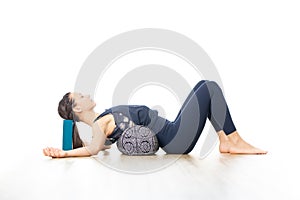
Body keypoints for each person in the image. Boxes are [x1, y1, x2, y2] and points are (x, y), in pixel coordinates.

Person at [43, 80, 267, 158]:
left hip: (172, 131)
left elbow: (97, 146)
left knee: (202, 86)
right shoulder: (101, 124)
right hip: (175, 138)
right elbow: (92, 149)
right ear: (78, 107)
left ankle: (226, 140)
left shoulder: (101, 125)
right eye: (80, 96)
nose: (86, 95)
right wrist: (64, 153)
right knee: (209, 87)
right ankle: (232, 140)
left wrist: (77, 146)